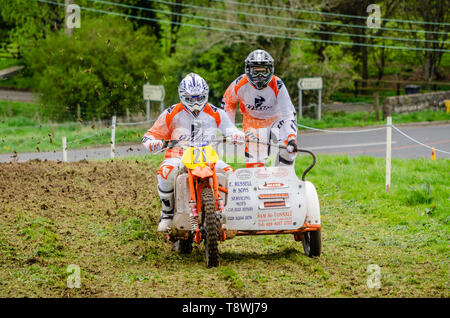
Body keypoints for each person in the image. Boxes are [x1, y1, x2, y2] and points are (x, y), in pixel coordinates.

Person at [142, 73, 245, 232]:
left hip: (207, 153)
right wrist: (153, 143)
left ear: (205, 95)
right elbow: (149, 135)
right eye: (191, 99)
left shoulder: (215, 112)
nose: (196, 102)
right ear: (182, 96)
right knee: (165, 173)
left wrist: (236, 135)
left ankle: (228, 212)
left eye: (199, 98)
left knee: (230, 174)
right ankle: (167, 214)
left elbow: (230, 128)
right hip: (177, 154)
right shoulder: (171, 113)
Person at [221, 49, 299, 167]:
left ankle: (285, 177)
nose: (259, 76)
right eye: (255, 71)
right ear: (248, 70)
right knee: (254, 158)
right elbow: (228, 104)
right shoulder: (238, 84)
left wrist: (291, 136)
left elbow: (288, 113)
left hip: (277, 118)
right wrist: (230, 131)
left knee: (287, 149)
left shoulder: (277, 84)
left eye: (263, 71)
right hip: (252, 121)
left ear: (271, 70)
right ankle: (256, 182)